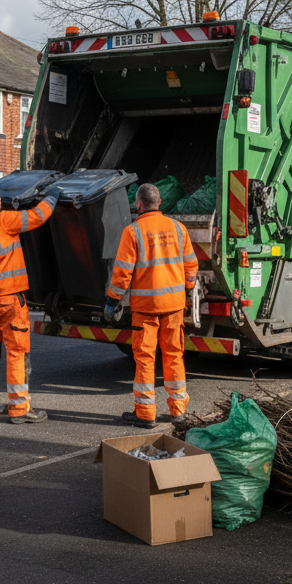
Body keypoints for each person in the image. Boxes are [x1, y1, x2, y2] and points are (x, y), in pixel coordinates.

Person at [105, 183, 198, 428]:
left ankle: (146, 414)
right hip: (174, 306)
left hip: (146, 308)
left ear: (138, 205)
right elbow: (191, 266)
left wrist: (112, 301)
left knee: (145, 358)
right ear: (160, 203)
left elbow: (122, 272)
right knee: (173, 356)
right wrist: (186, 289)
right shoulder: (178, 228)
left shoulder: (132, 232)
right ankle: (178, 411)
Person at [0, 182, 57, 424]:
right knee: (17, 350)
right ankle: (19, 409)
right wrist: (52, 198)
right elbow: (36, 217)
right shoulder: (1, 220)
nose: (0, 201)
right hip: (8, 297)